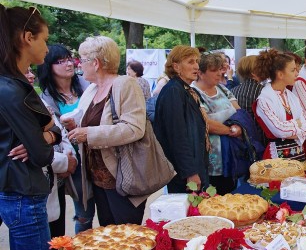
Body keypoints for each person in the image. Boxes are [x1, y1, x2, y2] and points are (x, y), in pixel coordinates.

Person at [0, 5, 62, 250]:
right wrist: (45, 139)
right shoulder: (12, 89)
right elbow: (40, 154)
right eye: (44, 39)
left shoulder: (14, 84)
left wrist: (47, 135)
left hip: (19, 189)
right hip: (23, 192)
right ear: (27, 37)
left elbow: (52, 130)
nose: (47, 48)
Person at [68, 36, 147, 226]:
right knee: (108, 237)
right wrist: (74, 126)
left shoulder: (125, 84)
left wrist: (88, 134)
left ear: (95, 63)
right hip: (99, 180)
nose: (79, 65)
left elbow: (134, 128)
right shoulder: (92, 89)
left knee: (127, 238)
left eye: (82, 60)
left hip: (122, 180)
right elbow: (90, 122)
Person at [25, 66, 77, 250]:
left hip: (54, 184)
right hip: (31, 191)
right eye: (24, 71)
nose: (30, 75)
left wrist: (67, 154)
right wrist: (65, 161)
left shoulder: (38, 102)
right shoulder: (13, 105)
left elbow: (60, 134)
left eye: (31, 71)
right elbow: (30, 151)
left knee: (57, 244)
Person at [38, 44, 94, 234]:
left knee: (107, 208)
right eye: (60, 61)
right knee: (84, 213)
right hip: (73, 160)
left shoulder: (87, 84)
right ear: (49, 67)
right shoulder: (46, 98)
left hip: (98, 152)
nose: (68, 64)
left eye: (69, 58)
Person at [153, 46, 209, 193]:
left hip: (192, 167)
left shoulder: (184, 89)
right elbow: (177, 136)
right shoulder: (173, 91)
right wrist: (190, 172)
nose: (196, 66)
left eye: (197, 61)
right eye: (190, 62)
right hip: (184, 173)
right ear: (176, 66)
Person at [192, 53, 242, 194]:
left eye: (220, 69)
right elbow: (205, 123)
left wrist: (233, 126)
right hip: (209, 160)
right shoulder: (193, 93)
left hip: (229, 156)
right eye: (214, 70)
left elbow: (238, 113)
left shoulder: (223, 89)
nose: (219, 73)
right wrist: (230, 130)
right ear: (201, 73)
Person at [254, 49, 306, 160]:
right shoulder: (264, 100)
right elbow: (279, 130)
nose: (297, 73)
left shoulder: (292, 96)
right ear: (280, 74)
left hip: (298, 154)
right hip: (277, 156)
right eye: (293, 70)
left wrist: (288, 126)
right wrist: (297, 123)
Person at [230, 55, 266, 145]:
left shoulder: (232, 91)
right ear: (254, 72)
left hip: (239, 142)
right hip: (260, 141)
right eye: (261, 67)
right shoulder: (264, 92)